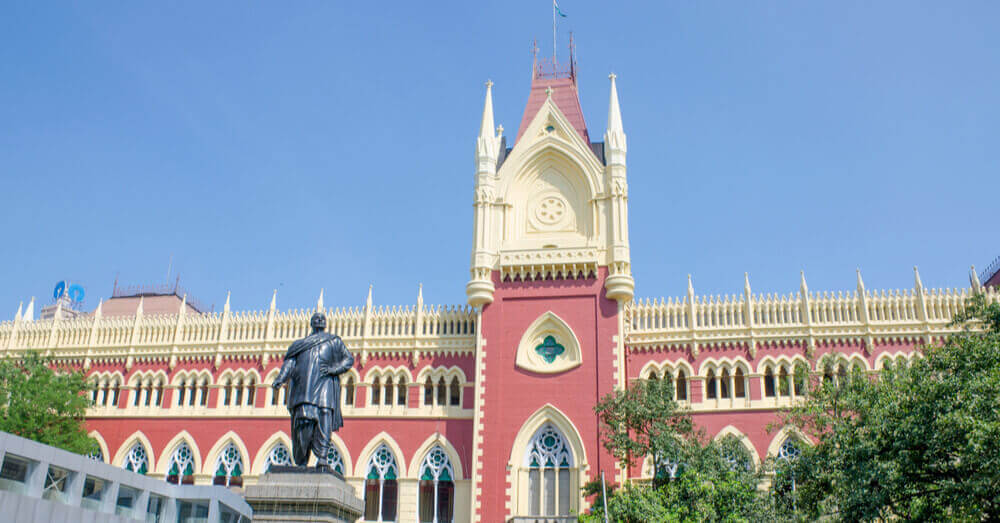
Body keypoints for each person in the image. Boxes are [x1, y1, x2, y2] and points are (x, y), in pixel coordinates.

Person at [273, 312, 354, 470]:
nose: (319, 320)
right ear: (311, 323)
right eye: (316, 318)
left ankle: (322, 457)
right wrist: (280, 379)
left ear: (325, 323)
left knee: (324, 420)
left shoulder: (334, 341)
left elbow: (348, 359)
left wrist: (334, 369)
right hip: (304, 391)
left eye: (322, 318)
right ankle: (301, 459)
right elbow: (289, 364)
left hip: (325, 390)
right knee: (303, 424)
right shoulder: (299, 345)